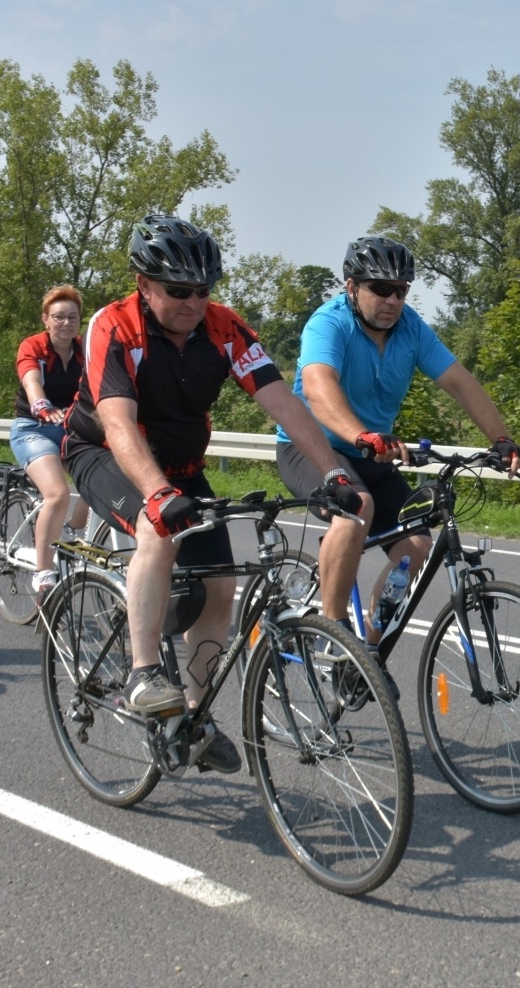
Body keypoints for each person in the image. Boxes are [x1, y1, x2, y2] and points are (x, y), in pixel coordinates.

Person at [65, 215, 362, 774]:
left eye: (203, 291)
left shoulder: (225, 329)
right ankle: (144, 671)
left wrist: (332, 473)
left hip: (181, 466)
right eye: (179, 291)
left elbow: (284, 403)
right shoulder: (114, 325)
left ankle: (196, 718)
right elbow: (118, 423)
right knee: (158, 528)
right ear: (144, 285)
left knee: (222, 581)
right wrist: (156, 492)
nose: (194, 303)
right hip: (103, 452)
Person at [276, 236, 520, 682]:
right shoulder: (328, 324)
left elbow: (461, 383)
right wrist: (361, 433)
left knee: (415, 548)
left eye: (402, 289)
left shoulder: (411, 329)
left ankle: (365, 652)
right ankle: (331, 636)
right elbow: (318, 389)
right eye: (380, 288)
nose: (393, 299)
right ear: (352, 286)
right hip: (311, 445)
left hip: (371, 449)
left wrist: (502, 438)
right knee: (356, 506)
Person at [9, 285, 91, 596]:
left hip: (72, 428)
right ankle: (44, 573)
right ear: (46, 319)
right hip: (33, 429)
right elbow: (31, 379)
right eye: (59, 317)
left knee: (110, 472)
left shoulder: (86, 350)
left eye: (73, 317)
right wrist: (41, 405)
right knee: (57, 494)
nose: (67, 323)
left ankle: (75, 528)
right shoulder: (33, 346)